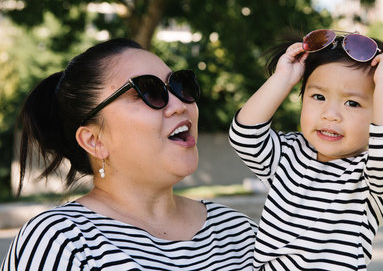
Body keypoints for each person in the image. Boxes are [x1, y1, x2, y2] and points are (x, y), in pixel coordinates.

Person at [2, 38, 257, 271]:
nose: (180, 105)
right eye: (148, 92)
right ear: (93, 140)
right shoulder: (62, 242)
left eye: (180, 86)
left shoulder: (238, 232)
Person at [229, 29, 383, 270]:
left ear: (380, 116)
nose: (330, 115)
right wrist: (282, 79)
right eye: (318, 96)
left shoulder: (369, 177)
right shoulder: (287, 155)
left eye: (352, 103)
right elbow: (245, 136)